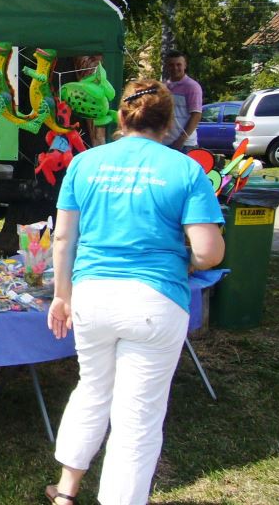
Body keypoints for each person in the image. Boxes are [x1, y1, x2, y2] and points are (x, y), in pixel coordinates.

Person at [45, 79, 224, 505]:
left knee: (92, 389)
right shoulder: (185, 169)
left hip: (93, 296)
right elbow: (208, 252)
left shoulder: (84, 163)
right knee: (137, 415)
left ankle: (66, 490)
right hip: (155, 302)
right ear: (168, 122)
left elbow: (63, 238)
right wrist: (187, 259)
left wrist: (61, 296)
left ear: (122, 117)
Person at [163, 51, 203, 152]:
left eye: (178, 64)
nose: (175, 68)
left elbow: (196, 115)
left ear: (185, 66)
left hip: (184, 145)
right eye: (171, 65)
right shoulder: (164, 87)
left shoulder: (192, 87)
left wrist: (181, 140)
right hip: (164, 143)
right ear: (167, 66)